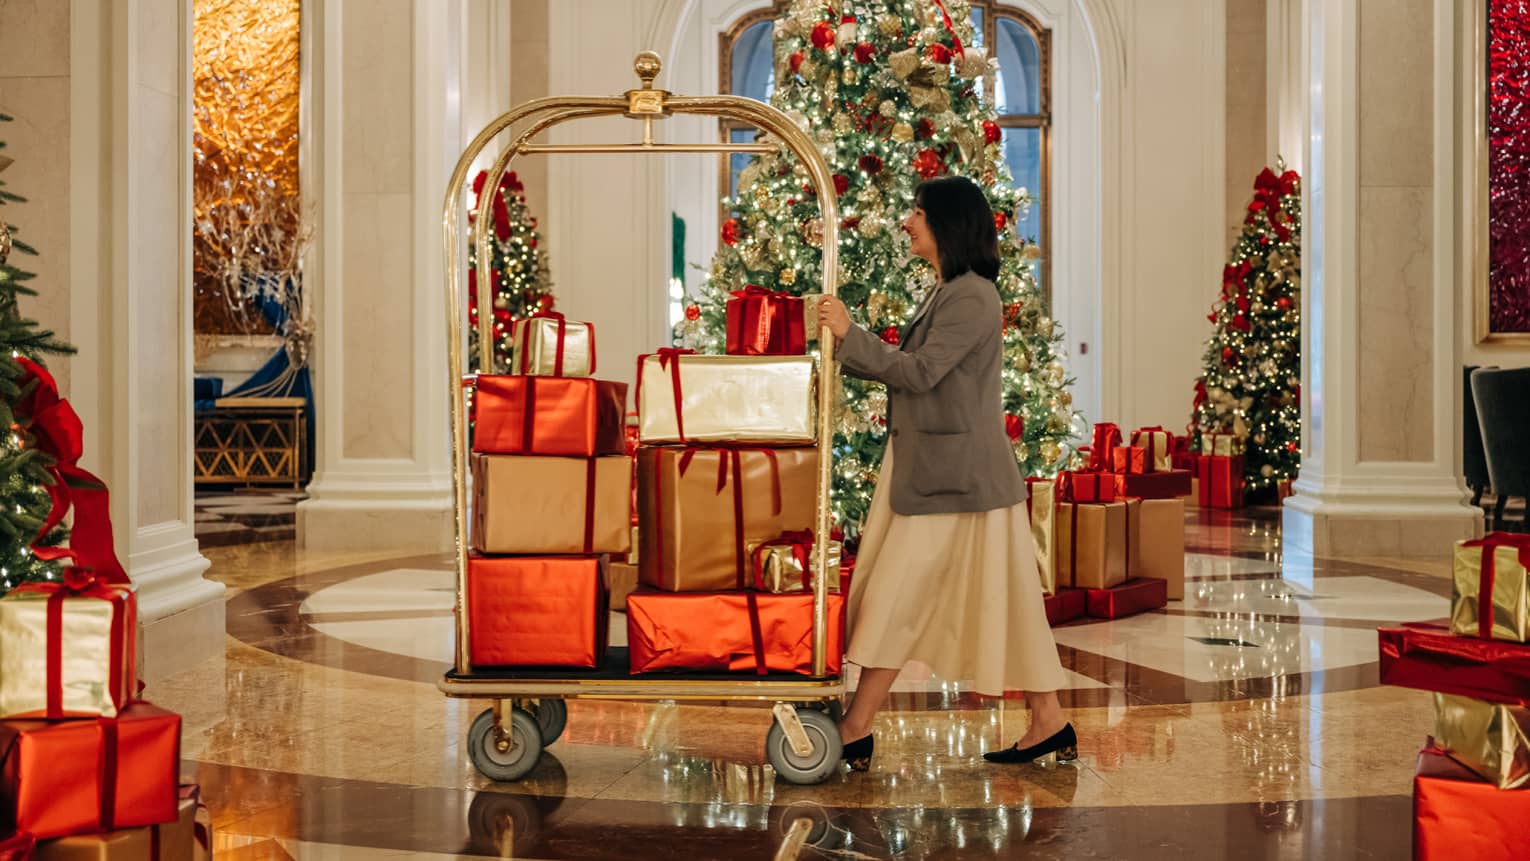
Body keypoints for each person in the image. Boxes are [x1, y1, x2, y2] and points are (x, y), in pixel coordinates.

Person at [815, 175, 1076, 771]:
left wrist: (848, 335)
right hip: (954, 474)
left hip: (958, 478)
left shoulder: (970, 295)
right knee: (1003, 598)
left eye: (918, 212)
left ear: (946, 224)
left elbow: (922, 371)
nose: (908, 221)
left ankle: (856, 726)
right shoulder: (952, 289)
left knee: (897, 593)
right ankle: (1050, 718)